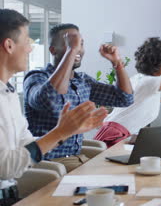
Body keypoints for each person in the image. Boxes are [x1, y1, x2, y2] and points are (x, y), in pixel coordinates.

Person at [0, 9, 108, 206]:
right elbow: (6, 167)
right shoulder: (34, 78)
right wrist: (59, 133)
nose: (30, 49)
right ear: (9, 45)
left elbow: (25, 145)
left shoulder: (7, 93)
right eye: (27, 43)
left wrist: (67, 132)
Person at [23, 24, 134, 172]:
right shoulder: (37, 77)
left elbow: (124, 98)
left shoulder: (83, 81)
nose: (77, 48)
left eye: (80, 44)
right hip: (49, 164)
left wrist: (117, 63)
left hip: (77, 159)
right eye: (69, 43)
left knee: (128, 172)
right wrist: (72, 50)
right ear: (52, 50)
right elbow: (50, 99)